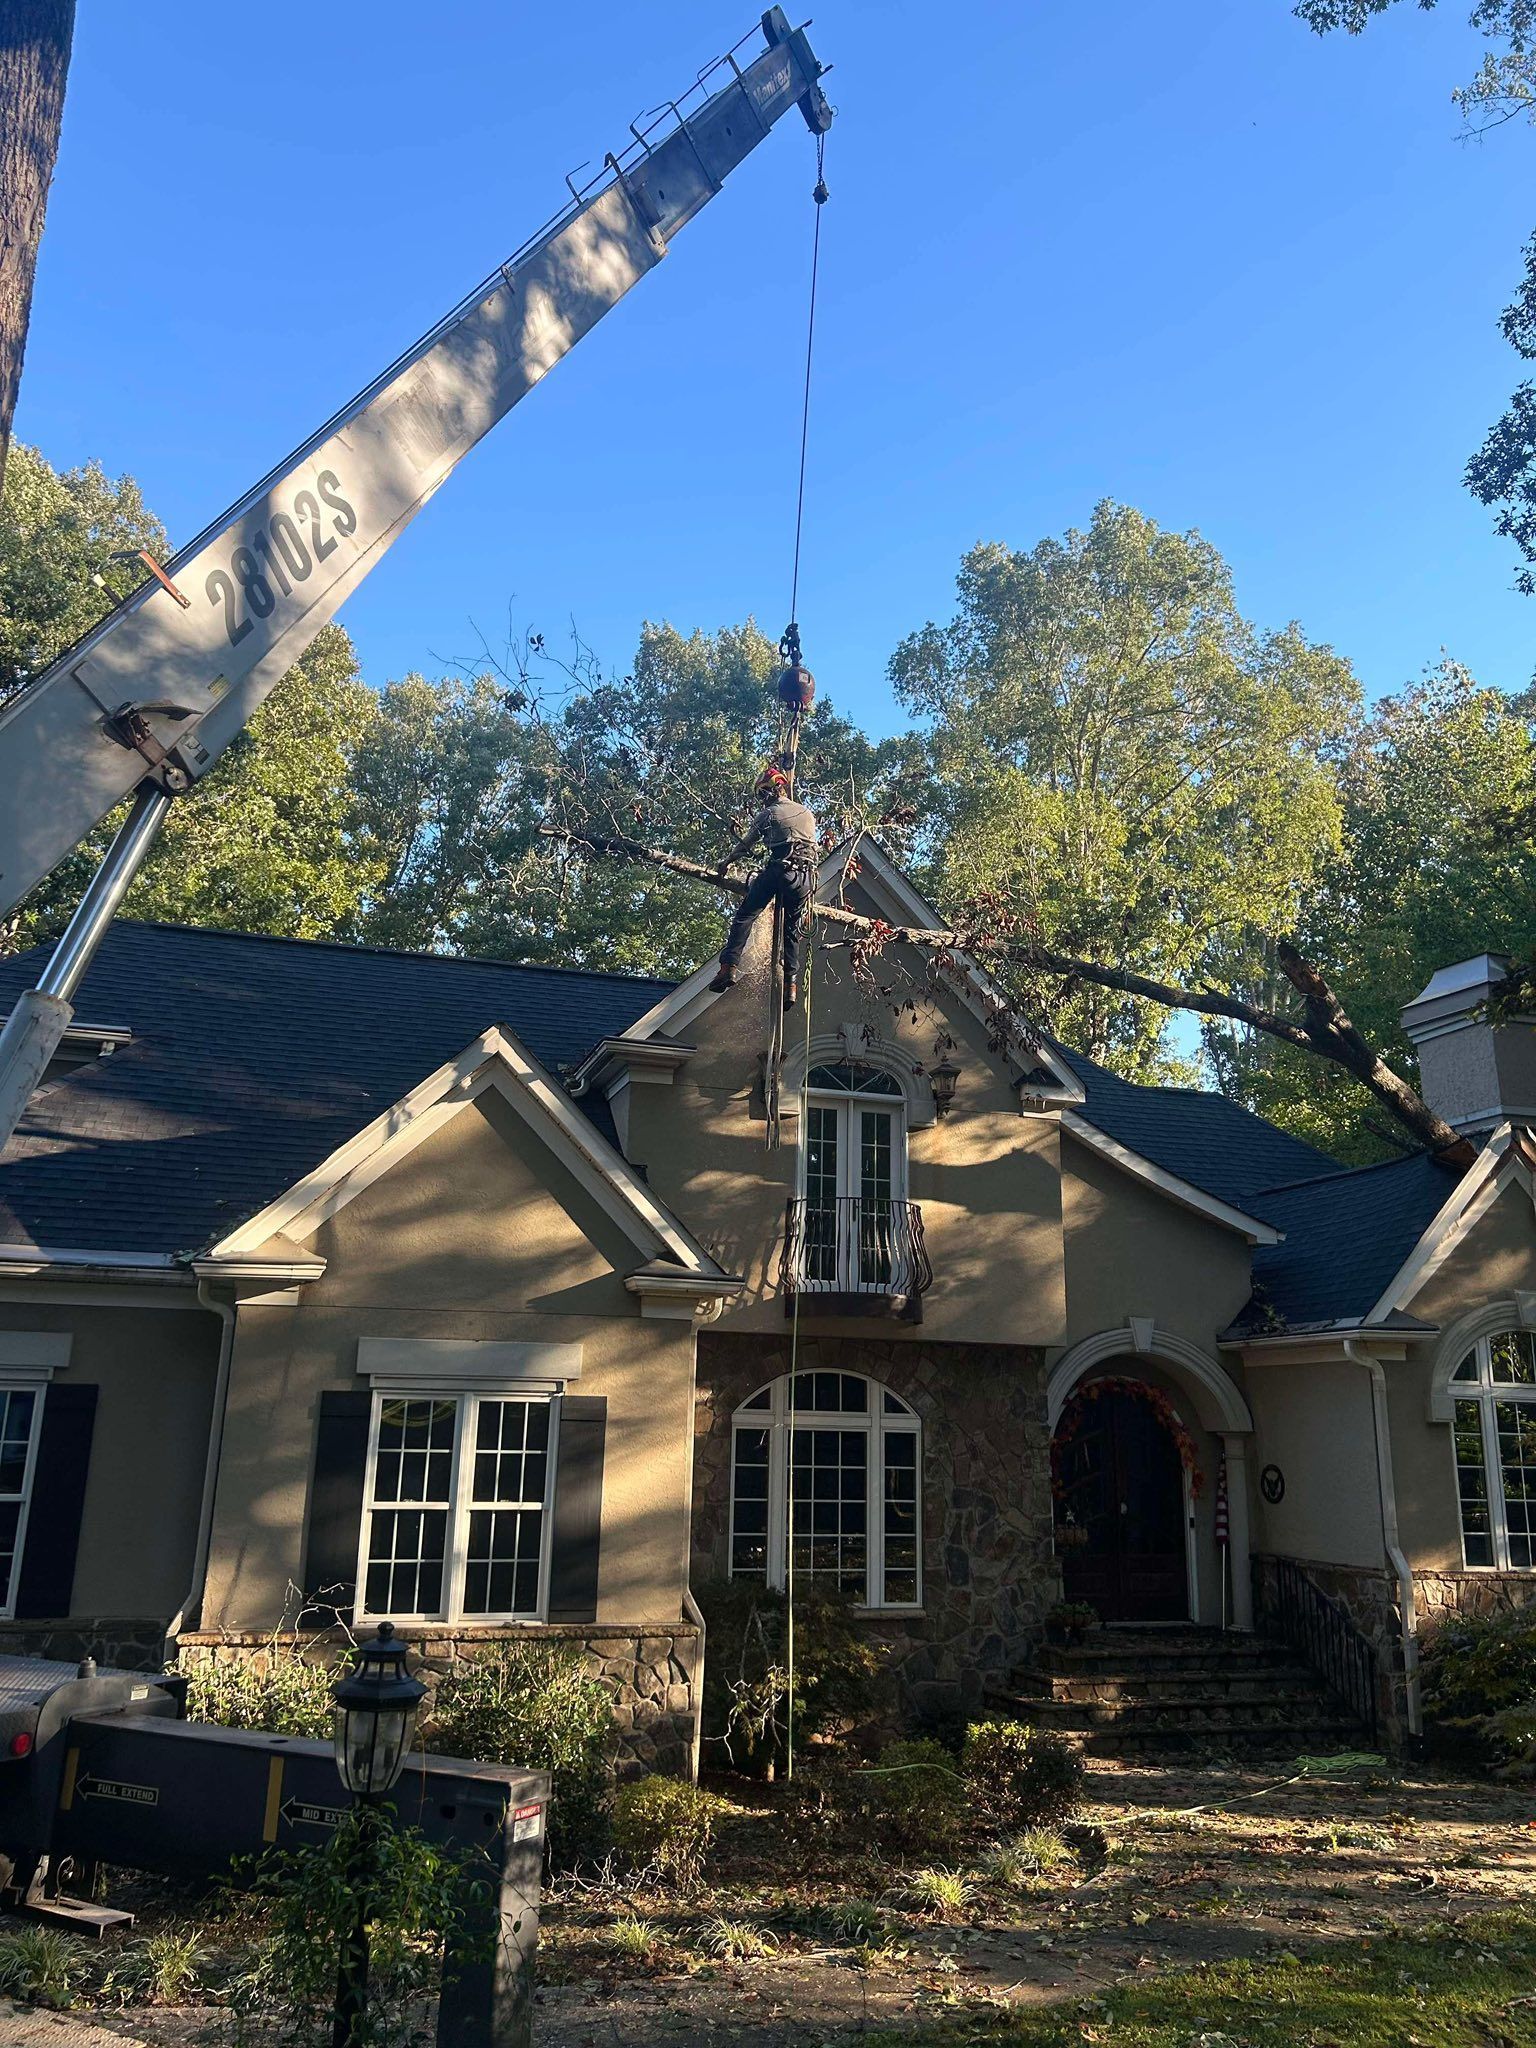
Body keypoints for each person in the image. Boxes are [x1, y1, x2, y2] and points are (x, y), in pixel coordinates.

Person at [709, 766, 818, 1007]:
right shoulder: (806, 812)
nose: (761, 800)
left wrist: (725, 863)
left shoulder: (769, 814)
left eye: (761, 795)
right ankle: (791, 984)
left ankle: (728, 967)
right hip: (805, 878)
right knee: (791, 930)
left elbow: (746, 845)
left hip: (781, 870)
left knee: (745, 915)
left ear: (769, 791)